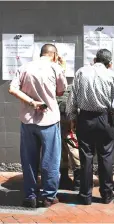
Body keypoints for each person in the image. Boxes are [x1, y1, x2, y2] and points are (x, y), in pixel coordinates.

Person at [66, 49, 114, 205]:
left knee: (85, 157)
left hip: (85, 118)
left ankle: (85, 195)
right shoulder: (112, 75)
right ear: (109, 63)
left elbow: (72, 98)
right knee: (105, 156)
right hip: (104, 118)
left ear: (95, 59)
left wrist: (72, 118)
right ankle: (107, 194)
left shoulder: (81, 72)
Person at [8, 44, 67, 208]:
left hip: (28, 121)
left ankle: (30, 195)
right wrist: (62, 67)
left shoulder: (25, 67)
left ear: (41, 53)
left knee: (28, 160)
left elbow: (12, 89)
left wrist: (31, 101)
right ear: (54, 55)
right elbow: (61, 91)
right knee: (51, 160)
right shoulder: (55, 68)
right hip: (49, 120)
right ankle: (49, 196)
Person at [57, 86, 81, 191]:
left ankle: (64, 179)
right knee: (73, 147)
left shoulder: (57, 86)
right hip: (69, 119)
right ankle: (78, 182)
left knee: (62, 150)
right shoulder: (75, 86)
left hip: (58, 119)